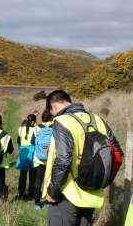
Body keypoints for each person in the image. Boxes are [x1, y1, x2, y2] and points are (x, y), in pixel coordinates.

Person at [43, 90, 124, 225]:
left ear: (54, 106)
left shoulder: (62, 121)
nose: (53, 116)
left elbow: (63, 160)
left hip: (67, 194)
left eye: (52, 113)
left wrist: (52, 192)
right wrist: (102, 180)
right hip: (92, 193)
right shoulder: (97, 119)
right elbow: (117, 154)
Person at [30, 109, 53, 209]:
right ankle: (48, 202)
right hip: (51, 158)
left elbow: (32, 141)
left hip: (39, 159)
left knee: (38, 181)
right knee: (49, 180)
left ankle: (37, 203)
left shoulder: (37, 128)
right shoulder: (56, 127)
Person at [16, 113, 39, 200]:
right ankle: (31, 193)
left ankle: (20, 192)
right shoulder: (36, 129)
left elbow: (18, 141)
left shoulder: (20, 129)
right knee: (33, 175)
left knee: (22, 175)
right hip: (33, 152)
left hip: (23, 152)